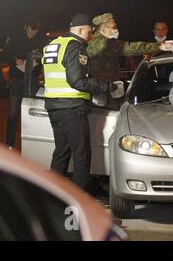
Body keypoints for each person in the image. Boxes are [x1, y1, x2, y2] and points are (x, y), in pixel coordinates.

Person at [42, 14, 120, 190]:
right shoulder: (75, 47)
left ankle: (53, 195)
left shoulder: (53, 45)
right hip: (72, 107)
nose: (90, 35)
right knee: (81, 154)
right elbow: (77, 81)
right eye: (89, 32)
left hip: (54, 107)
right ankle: (80, 200)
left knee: (61, 152)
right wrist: (107, 86)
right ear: (80, 30)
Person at [87, 13, 173, 83]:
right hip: (100, 89)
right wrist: (160, 46)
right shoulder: (102, 43)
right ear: (104, 30)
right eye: (113, 27)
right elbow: (128, 47)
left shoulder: (99, 41)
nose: (116, 30)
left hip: (106, 85)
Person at [4, 16, 47, 149]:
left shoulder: (41, 39)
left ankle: (31, 145)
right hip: (17, 79)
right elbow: (5, 54)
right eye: (30, 31)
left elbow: (45, 56)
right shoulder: (15, 37)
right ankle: (10, 145)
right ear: (25, 27)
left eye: (35, 31)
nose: (32, 34)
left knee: (31, 112)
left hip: (32, 80)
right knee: (13, 113)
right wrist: (14, 60)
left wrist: (37, 62)